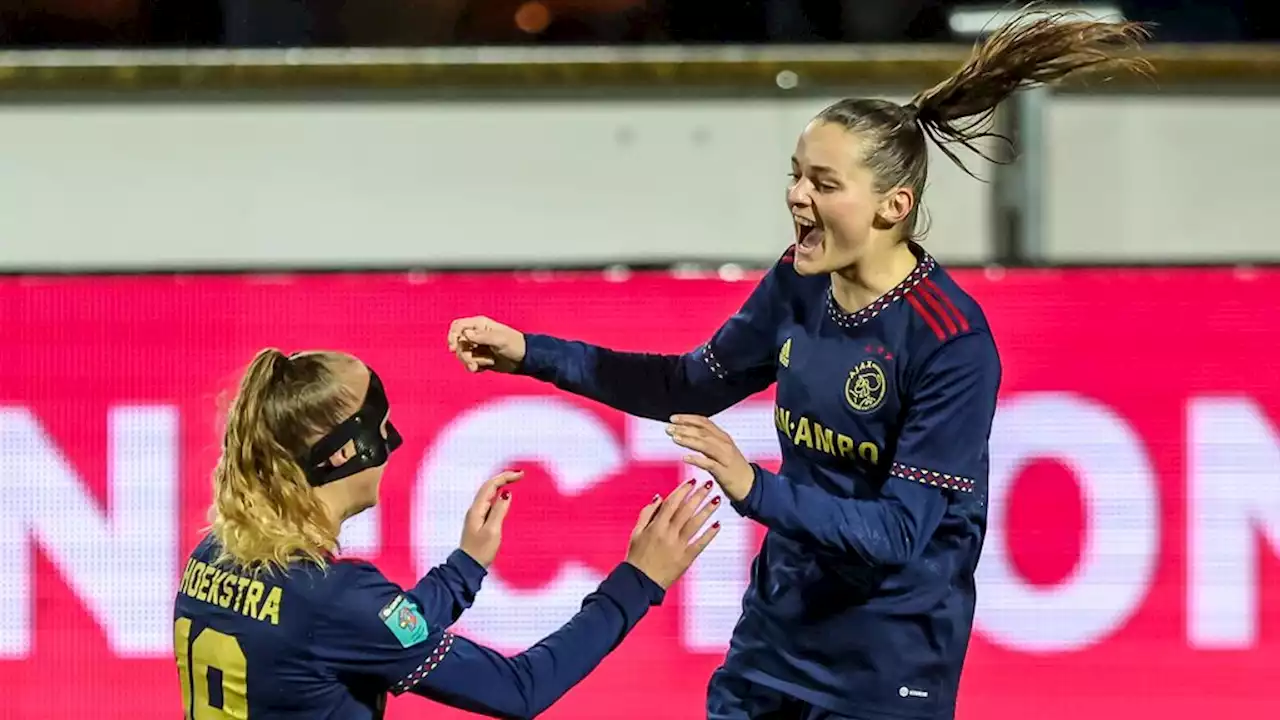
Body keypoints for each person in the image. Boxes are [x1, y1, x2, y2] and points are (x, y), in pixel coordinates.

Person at [446, 10, 1149, 720]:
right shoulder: (800, 281)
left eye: (823, 182)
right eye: (795, 176)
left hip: (884, 670)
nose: (797, 196)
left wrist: (755, 487)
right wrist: (532, 355)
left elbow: (899, 534)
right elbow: (687, 384)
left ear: (893, 205)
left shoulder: (952, 343)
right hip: (774, 644)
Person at [173, 348, 721, 719]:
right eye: (380, 423)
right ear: (346, 451)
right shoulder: (335, 597)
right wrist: (637, 581)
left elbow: (374, 631)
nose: (395, 439)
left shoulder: (212, 555)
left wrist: (465, 567)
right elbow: (519, 689)